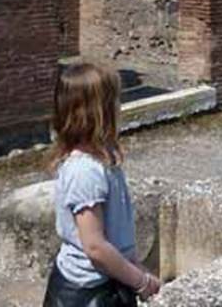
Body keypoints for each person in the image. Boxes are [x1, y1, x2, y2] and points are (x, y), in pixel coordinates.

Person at [44, 63, 160, 306]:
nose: (119, 107)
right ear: (98, 112)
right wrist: (141, 281)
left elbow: (113, 235)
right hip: (86, 292)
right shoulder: (84, 171)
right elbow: (95, 247)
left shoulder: (100, 160)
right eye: (115, 101)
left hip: (106, 279)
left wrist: (134, 266)